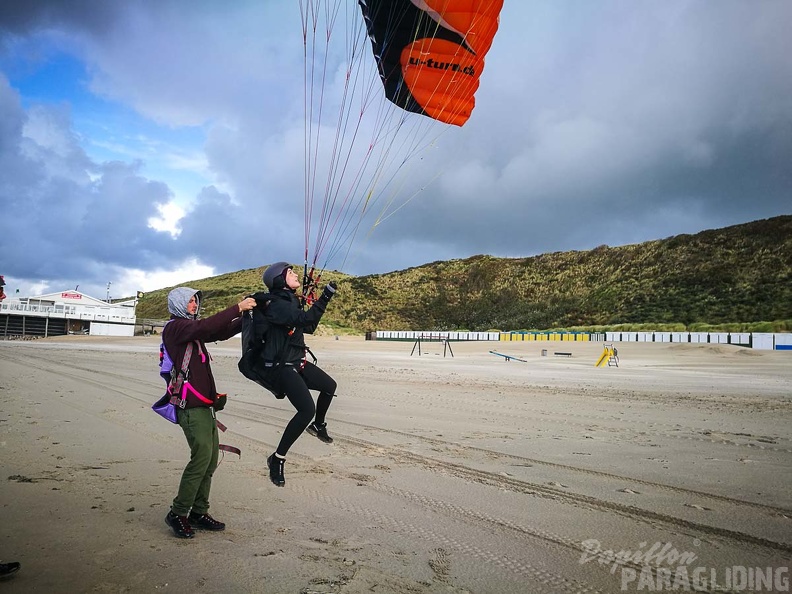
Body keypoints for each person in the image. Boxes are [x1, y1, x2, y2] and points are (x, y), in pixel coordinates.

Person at [163, 287, 256, 539]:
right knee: (201, 457)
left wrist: (246, 318)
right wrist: (237, 307)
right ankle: (178, 512)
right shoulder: (176, 328)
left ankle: (198, 512)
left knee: (210, 458)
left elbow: (220, 330)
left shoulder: (191, 330)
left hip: (204, 406)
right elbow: (206, 327)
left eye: (196, 300)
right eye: (190, 301)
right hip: (190, 407)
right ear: (179, 304)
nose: (194, 304)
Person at [256, 262, 338, 487]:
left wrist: (312, 306)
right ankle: (277, 458)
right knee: (306, 410)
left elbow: (308, 327)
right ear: (280, 281)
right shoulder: (277, 305)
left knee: (329, 386)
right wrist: (325, 297)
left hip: (296, 361)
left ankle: (318, 425)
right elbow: (305, 320)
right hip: (282, 366)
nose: (294, 274)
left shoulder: (289, 302)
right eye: (289, 273)